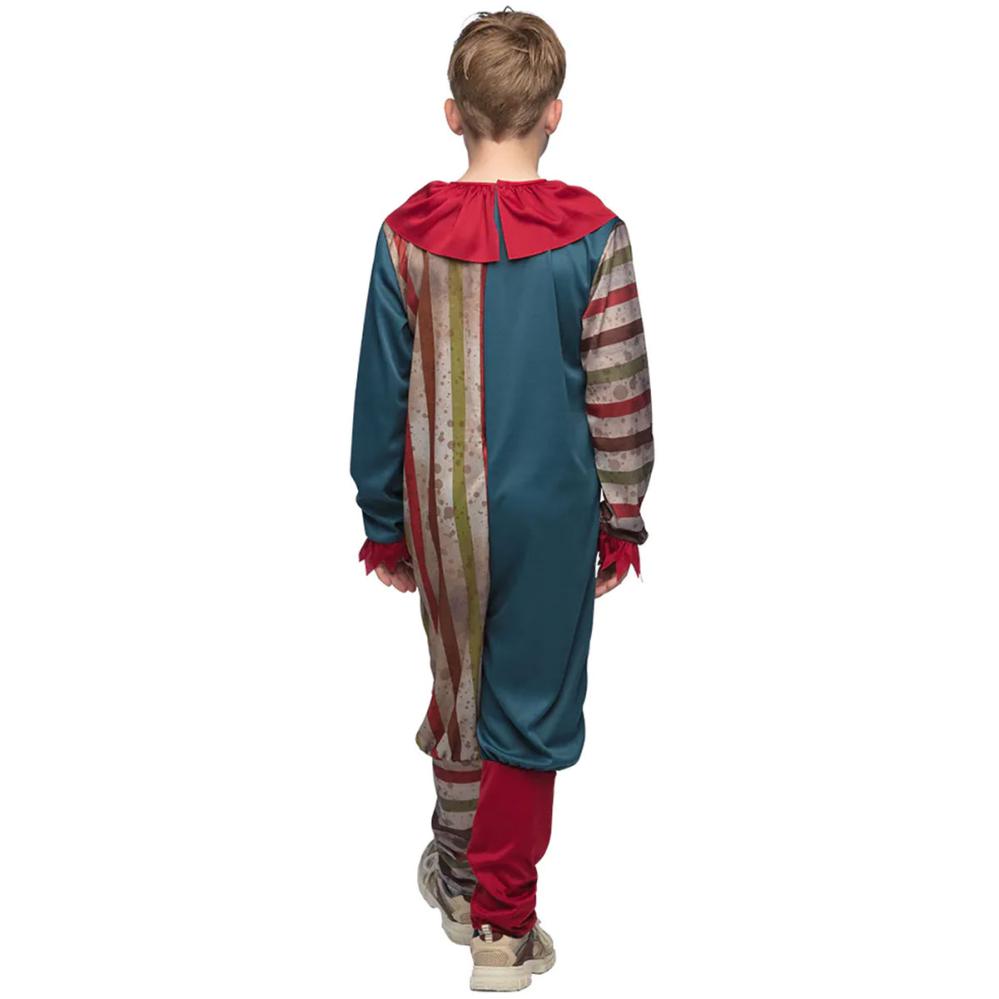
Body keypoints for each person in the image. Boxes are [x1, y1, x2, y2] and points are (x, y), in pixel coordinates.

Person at [349, 8, 653, 991]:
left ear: (453, 113)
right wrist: (622, 517)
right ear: (555, 112)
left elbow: (381, 391)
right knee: (530, 708)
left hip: (443, 513)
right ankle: (501, 928)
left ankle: (454, 873)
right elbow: (617, 390)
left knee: (461, 687)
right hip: (553, 517)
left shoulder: (405, 238)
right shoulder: (596, 235)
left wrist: (383, 521)